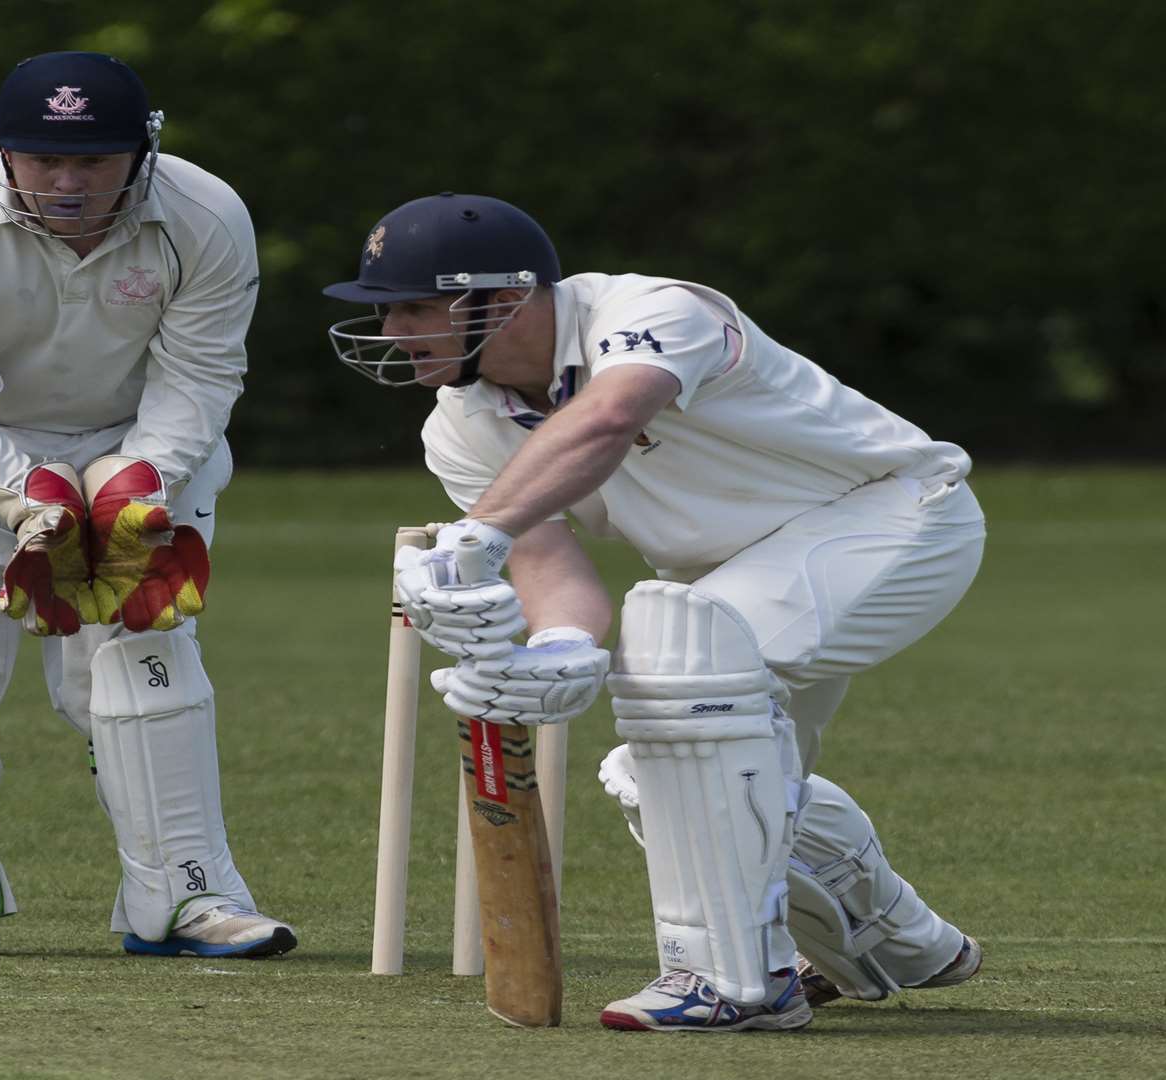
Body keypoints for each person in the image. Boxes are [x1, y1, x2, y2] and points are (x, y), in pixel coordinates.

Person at [324, 193, 985, 1030]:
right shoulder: (461, 426)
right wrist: (559, 648)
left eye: (415, 307)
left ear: (505, 295)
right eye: (386, 311)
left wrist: (478, 530)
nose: (392, 333)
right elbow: (549, 566)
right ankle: (902, 937)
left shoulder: (653, 312)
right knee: (654, 772)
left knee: (679, 670)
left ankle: (735, 983)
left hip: (893, 515)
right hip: (727, 577)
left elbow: (611, 414)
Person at [0, 51, 294, 960]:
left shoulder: (205, 218)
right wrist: (20, 501)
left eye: (93, 161)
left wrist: (135, 485)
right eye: (43, 159)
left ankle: (188, 896)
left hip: (137, 441)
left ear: (143, 150)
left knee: (142, 640)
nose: (67, 182)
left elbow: (202, 374)